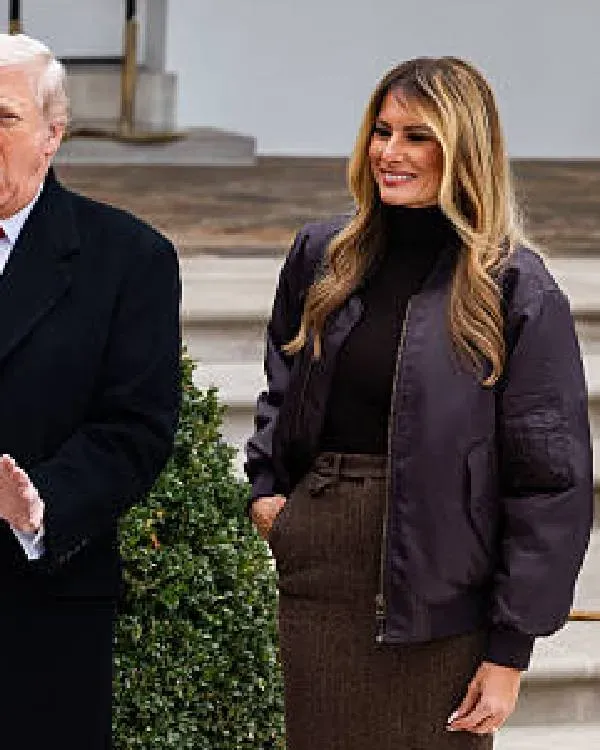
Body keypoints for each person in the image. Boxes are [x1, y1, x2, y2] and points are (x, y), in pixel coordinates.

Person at [245, 56, 593, 749]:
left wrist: (510, 650)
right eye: (382, 131)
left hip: (444, 592)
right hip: (324, 572)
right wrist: (269, 494)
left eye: (417, 136)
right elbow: (282, 387)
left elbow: (550, 482)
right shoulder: (322, 255)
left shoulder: (514, 287)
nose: (389, 153)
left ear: (464, 148)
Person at [0, 34, 180, 749]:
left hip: (34, 616)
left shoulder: (127, 258)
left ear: (53, 134)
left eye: (3, 116)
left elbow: (134, 429)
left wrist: (38, 502)